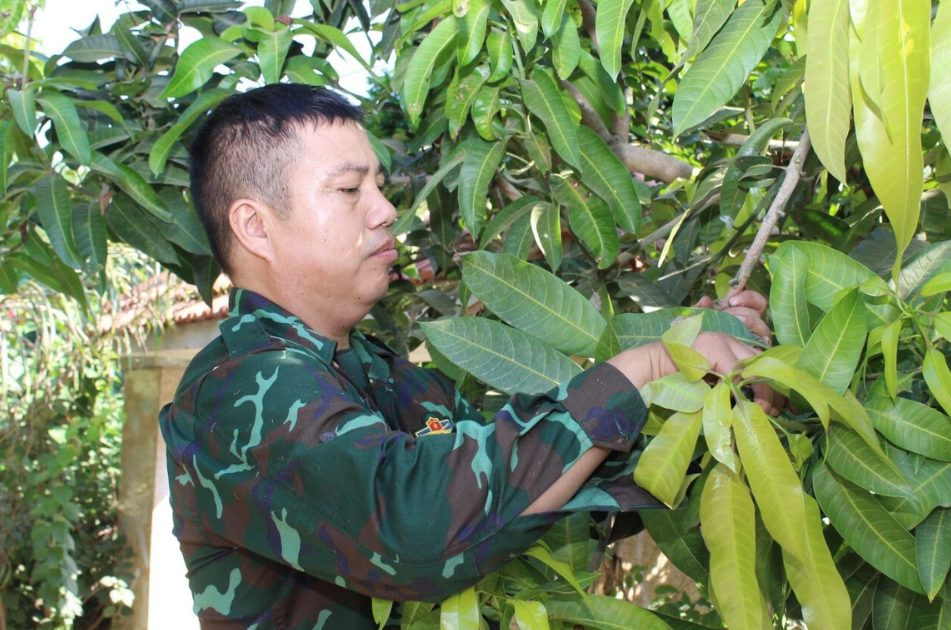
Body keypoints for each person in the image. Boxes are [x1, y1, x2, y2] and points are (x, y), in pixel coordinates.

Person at [158, 83, 776, 629]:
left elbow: (545, 485)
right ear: (255, 226)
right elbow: (416, 529)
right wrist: (643, 367)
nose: (386, 210)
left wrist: (717, 382)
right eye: (350, 189)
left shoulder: (391, 380)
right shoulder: (235, 388)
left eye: (378, 184)